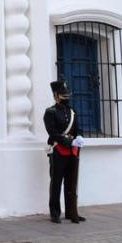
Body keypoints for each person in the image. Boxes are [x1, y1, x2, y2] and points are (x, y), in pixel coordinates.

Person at [44, 79, 86, 224]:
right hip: (59, 151)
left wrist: (79, 136)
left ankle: (72, 212)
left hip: (73, 151)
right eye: (63, 95)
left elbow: (77, 128)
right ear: (56, 95)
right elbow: (53, 133)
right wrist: (69, 141)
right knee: (56, 182)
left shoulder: (72, 111)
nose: (66, 97)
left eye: (67, 95)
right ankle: (55, 212)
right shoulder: (50, 112)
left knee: (72, 183)